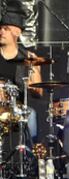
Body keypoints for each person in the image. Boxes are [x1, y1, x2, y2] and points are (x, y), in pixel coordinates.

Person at [0, 11, 42, 143]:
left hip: (16, 108)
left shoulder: (28, 57)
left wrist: (34, 70)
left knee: (31, 115)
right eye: (0, 28)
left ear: (17, 32)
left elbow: (38, 93)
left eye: (6, 29)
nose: (1, 32)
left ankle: (31, 158)